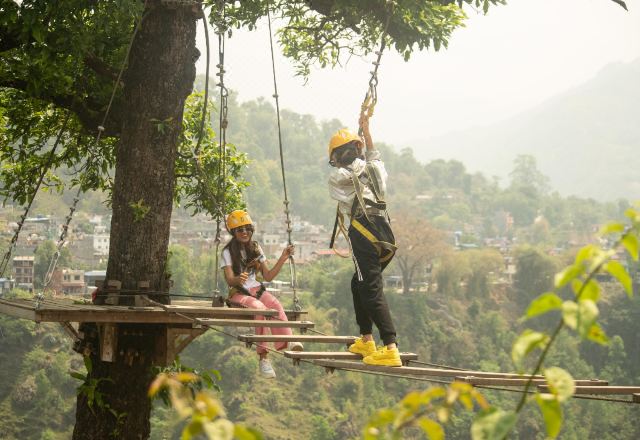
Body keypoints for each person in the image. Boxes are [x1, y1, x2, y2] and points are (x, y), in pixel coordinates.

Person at [327, 114, 401, 367]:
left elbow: (342, 187)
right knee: (359, 283)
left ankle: (390, 346)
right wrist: (366, 134)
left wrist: (357, 144)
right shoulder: (376, 169)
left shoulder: (338, 177)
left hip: (363, 231)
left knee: (369, 287)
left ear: (337, 157)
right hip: (384, 232)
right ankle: (366, 339)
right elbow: (374, 154)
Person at [221, 209, 303, 378]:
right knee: (260, 309)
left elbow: (268, 276)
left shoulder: (255, 248)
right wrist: (238, 279)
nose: (245, 232)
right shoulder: (227, 252)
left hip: (256, 290)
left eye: (247, 229)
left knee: (274, 304)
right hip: (239, 293)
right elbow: (229, 280)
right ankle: (263, 357)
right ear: (233, 232)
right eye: (240, 230)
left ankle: (290, 339)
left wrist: (283, 257)